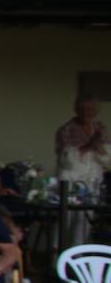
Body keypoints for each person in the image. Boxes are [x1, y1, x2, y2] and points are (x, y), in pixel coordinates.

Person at [54, 94, 111, 248]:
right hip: (70, 179)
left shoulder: (100, 128)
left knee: (84, 220)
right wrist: (89, 145)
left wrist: (98, 148)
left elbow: (108, 160)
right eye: (83, 109)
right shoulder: (66, 130)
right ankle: (58, 257)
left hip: (92, 179)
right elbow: (67, 161)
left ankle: (79, 255)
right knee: (66, 218)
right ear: (76, 110)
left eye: (91, 109)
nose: (87, 112)